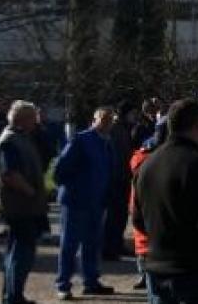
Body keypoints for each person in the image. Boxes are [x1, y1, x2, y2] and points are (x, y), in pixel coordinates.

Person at [133, 99, 198, 304]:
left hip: (157, 264)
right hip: (194, 269)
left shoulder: (147, 163)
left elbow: (138, 218)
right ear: (197, 125)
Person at [52, 106, 117, 299]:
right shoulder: (81, 139)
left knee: (92, 243)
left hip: (96, 201)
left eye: (110, 120)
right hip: (76, 201)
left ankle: (91, 281)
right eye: (103, 119)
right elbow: (60, 169)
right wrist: (74, 189)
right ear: (94, 119)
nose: (107, 123)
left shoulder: (107, 142)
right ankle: (63, 284)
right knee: (70, 244)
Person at [0, 101, 49, 304]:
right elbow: (9, 174)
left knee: (16, 251)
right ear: (23, 119)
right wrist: (31, 192)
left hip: (24, 204)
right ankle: (13, 296)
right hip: (20, 206)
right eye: (33, 119)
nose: (36, 123)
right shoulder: (10, 141)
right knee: (21, 253)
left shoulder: (20, 138)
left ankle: (11, 294)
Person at [129, 117, 167, 292]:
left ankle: (144, 274)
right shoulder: (155, 154)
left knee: (143, 240)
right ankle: (145, 274)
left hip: (141, 204)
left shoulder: (145, 151)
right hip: (149, 205)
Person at [102, 103, 137, 261]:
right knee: (113, 215)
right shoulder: (116, 130)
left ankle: (116, 244)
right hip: (116, 178)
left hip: (123, 177)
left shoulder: (123, 129)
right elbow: (117, 155)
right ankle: (109, 247)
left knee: (121, 214)